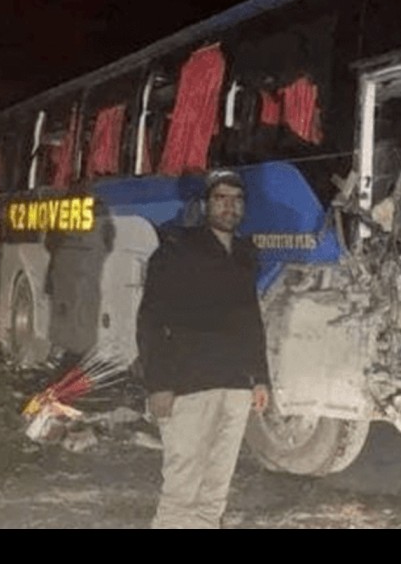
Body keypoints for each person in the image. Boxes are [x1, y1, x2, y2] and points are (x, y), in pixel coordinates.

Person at [136, 168, 270, 529]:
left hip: (235, 387)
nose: (230, 206)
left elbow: (251, 320)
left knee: (215, 492)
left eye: (237, 199)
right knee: (182, 489)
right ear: (205, 204)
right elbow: (150, 319)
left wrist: (260, 378)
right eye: (221, 198)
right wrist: (158, 384)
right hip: (188, 386)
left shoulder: (244, 254)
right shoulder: (178, 250)